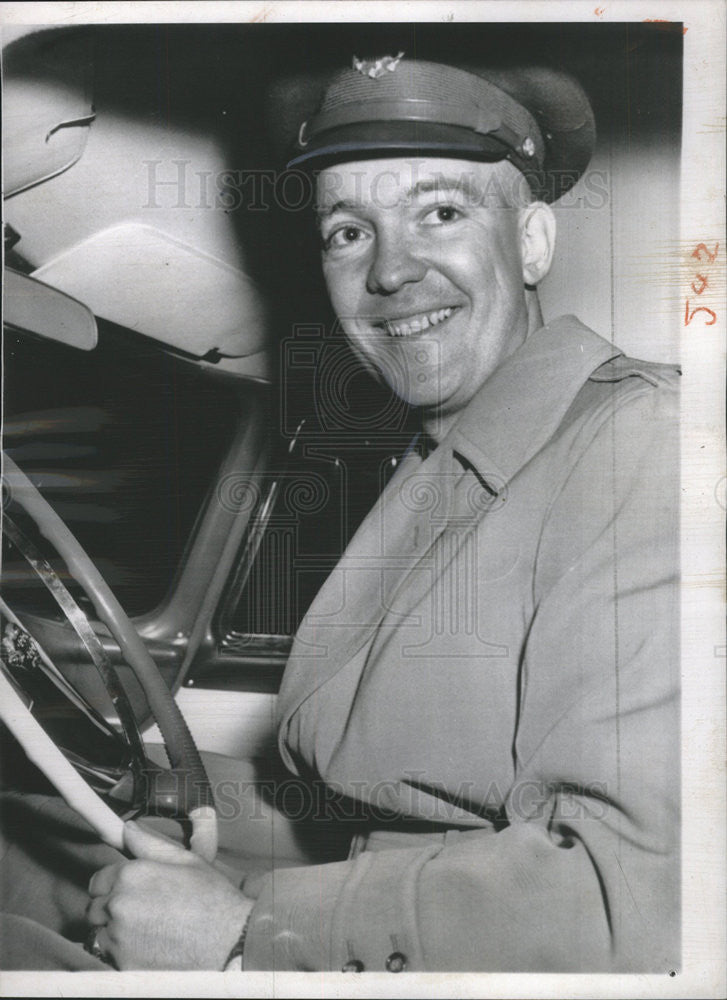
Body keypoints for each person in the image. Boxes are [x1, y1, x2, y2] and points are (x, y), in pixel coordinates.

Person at [1, 53, 680, 973]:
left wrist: (247, 934)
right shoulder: (443, 463)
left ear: (530, 243)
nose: (391, 272)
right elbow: (376, 792)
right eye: (347, 232)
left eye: (439, 213)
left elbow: (636, 894)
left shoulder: (639, 440)